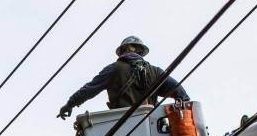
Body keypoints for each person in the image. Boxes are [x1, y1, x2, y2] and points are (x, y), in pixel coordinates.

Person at [57, 36, 189, 118]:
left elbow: (89, 90)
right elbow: (178, 90)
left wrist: (70, 104)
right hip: (151, 124)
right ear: (141, 52)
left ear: (122, 51)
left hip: (123, 127)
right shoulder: (156, 72)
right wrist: (184, 104)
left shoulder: (114, 69)